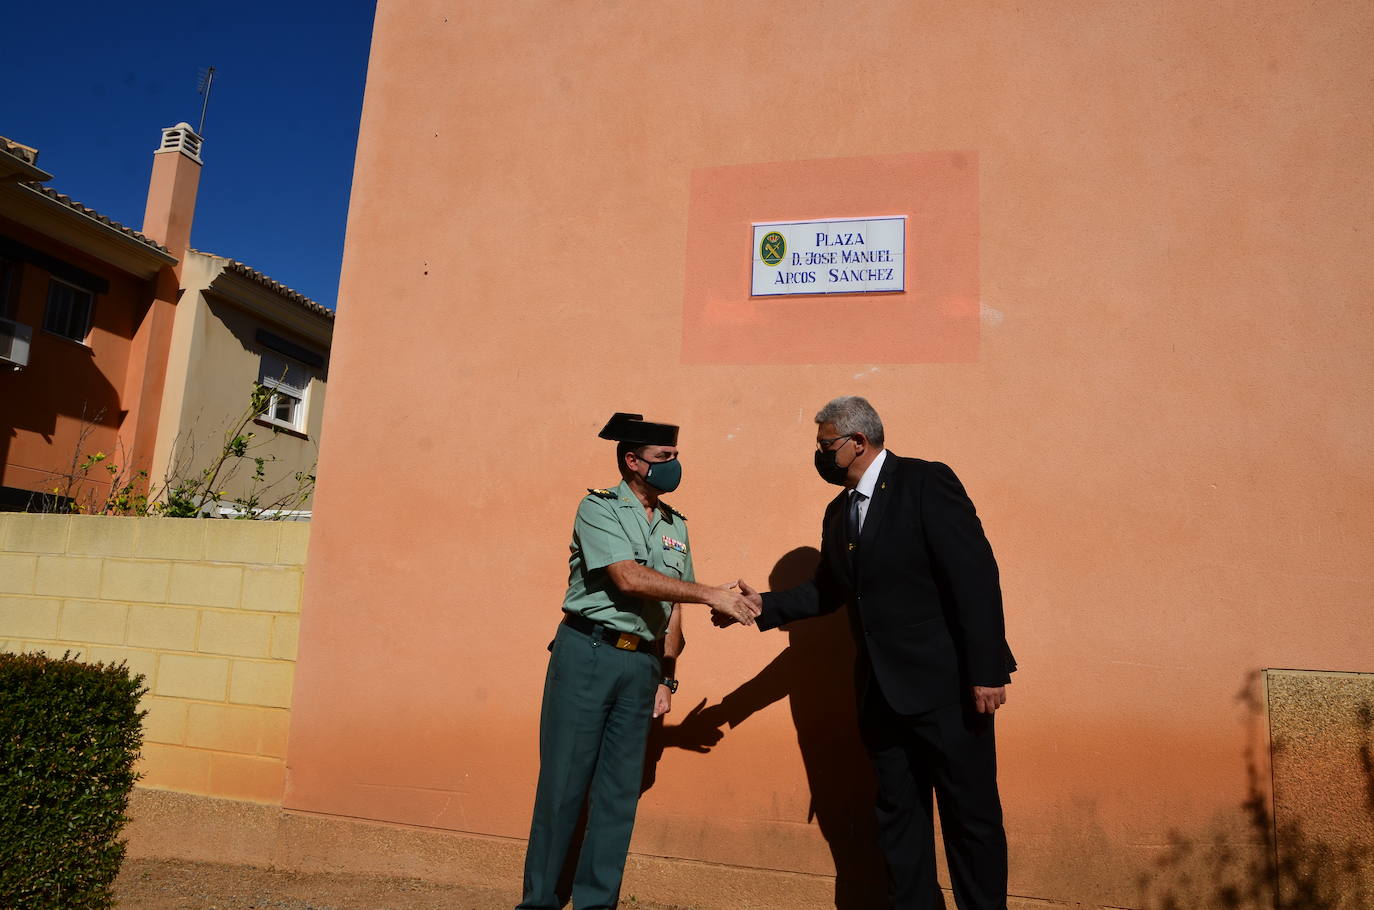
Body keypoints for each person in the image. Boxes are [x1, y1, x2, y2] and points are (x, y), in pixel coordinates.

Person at [729, 395, 1016, 910]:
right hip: (881, 697)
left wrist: (987, 671)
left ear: (858, 442)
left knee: (970, 820)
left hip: (948, 691)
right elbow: (829, 590)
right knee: (899, 821)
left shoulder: (926, 483)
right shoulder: (839, 512)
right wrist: (760, 606)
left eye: (826, 446)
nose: (820, 456)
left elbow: (974, 577)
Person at [516, 412, 760, 910]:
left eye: (675, 457)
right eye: (662, 459)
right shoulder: (598, 508)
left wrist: (667, 676)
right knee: (563, 787)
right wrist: (710, 593)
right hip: (588, 653)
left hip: (641, 668)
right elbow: (628, 578)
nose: (673, 467)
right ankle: (538, 902)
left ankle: (595, 903)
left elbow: (672, 611)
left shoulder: (676, 526)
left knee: (617, 794)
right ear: (633, 461)